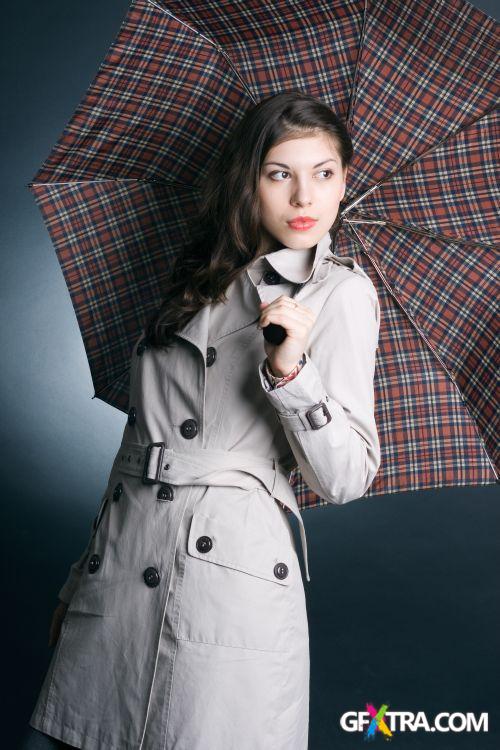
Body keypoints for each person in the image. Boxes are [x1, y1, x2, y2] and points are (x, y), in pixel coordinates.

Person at [22, 92, 381, 750]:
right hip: (124, 568)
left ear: (344, 181)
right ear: (248, 180)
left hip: (222, 581)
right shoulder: (193, 277)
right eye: (280, 173)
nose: (305, 196)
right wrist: (83, 574)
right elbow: (141, 440)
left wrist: (293, 373)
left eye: (324, 173)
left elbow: (347, 477)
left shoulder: (340, 293)